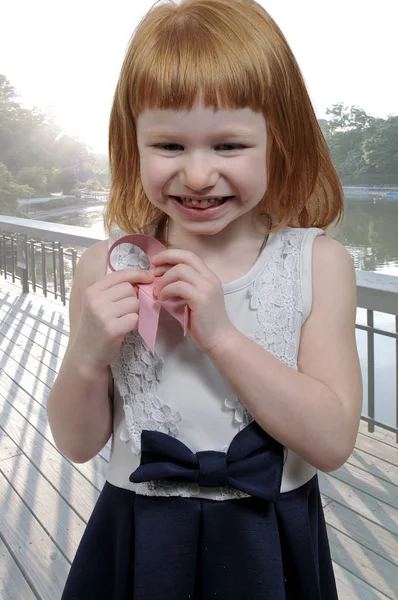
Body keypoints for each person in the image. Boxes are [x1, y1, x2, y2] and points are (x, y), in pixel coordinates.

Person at [47, 0, 363, 598]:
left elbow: (332, 442)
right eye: (168, 145)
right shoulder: (107, 266)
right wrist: (87, 356)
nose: (196, 175)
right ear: (130, 145)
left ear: (280, 141)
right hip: (137, 533)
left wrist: (220, 336)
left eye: (228, 146)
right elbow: (77, 442)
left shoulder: (318, 264)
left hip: (269, 536)